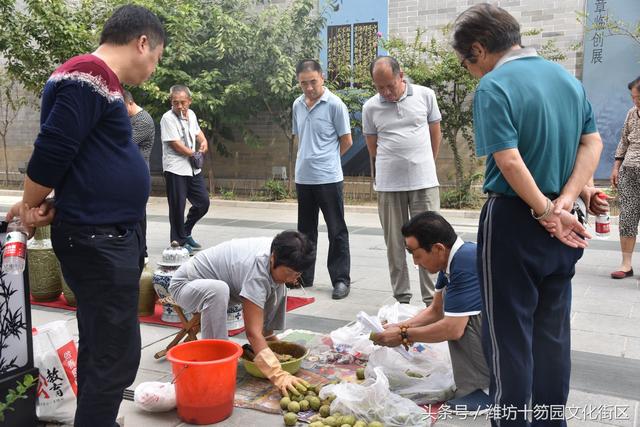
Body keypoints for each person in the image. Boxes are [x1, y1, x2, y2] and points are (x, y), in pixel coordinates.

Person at [7, 5, 165, 427]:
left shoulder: (99, 82)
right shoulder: (88, 74)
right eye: (156, 58)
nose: (152, 69)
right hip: (100, 242)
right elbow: (54, 149)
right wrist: (27, 205)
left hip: (106, 235)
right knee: (116, 354)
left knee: (104, 346)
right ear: (142, 42)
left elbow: (81, 161)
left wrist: (53, 205)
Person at [453, 4, 602, 426]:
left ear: (479, 49)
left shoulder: (494, 86)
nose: (471, 72)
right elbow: (592, 144)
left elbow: (510, 162)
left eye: (467, 63)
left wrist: (543, 212)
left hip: (517, 221)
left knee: (509, 337)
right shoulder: (567, 81)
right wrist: (566, 200)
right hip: (565, 222)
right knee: (552, 335)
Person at [168, 230, 315, 396]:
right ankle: (216, 358)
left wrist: (269, 343)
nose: (293, 280)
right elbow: (252, 333)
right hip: (186, 285)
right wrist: (278, 375)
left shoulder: (284, 250)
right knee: (218, 290)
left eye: (298, 274)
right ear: (273, 258)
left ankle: (268, 339)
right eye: (289, 273)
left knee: (279, 285)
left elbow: (278, 281)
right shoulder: (257, 271)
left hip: (227, 287)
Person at [371, 211, 490, 412]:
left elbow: (452, 329)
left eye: (416, 255)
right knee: (451, 311)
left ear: (437, 248)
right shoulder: (452, 260)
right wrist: (399, 327)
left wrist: (403, 335)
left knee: (459, 320)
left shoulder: (466, 263)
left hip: (512, 334)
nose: (416, 263)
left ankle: (487, 390)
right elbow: (435, 310)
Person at [362, 55, 442, 306]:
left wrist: (424, 163)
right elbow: (373, 147)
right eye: (379, 87)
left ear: (401, 75)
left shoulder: (425, 96)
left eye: (390, 85)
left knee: (430, 241)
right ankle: (402, 299)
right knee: (394, 244)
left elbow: (434, 134)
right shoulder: (370, 108)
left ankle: (432, 300)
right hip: (388, 185)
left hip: (424, 182)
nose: (385, 92)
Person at [292, 59, 353, 299]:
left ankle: (340, 280)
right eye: (303, 83)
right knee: (305, 232)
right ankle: (304, 276)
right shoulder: (297, 105)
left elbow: (346, 140)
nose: (308, 88)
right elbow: (300, 137)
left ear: (322, 77)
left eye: (313, 82)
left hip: (328, 178)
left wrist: (327, 159)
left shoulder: (335, 104)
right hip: (304, 178)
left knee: (337, 230)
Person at [160, 84, 210, 253]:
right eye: (175, 103)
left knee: (203, 202)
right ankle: (178, 241)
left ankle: (186, 231)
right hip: (176, 168)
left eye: (182, 102)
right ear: (171, 102)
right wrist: (195, 153)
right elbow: (175, 144)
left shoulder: (192, 115)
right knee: (177, 206)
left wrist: (204, 142)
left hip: (192, 168)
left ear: (190, 101)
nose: (179, 106)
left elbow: (197, 133)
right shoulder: (167, 118)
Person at [610, 76, 640, 279]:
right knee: (627, 216)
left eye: (638, 97)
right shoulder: (631, 113)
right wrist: (616, 167)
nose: (635, 101)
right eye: (633, 97)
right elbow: (623, 141)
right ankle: (626, 264)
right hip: (629, 171)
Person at [124, 90, 155, 260]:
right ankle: (137, 250)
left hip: (139, 174)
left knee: (138, 215)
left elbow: (124, 143)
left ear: (130, 102)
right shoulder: (130, 119)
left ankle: (142, 252)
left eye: (122, 108)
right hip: (130, 172)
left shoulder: (143, 120)